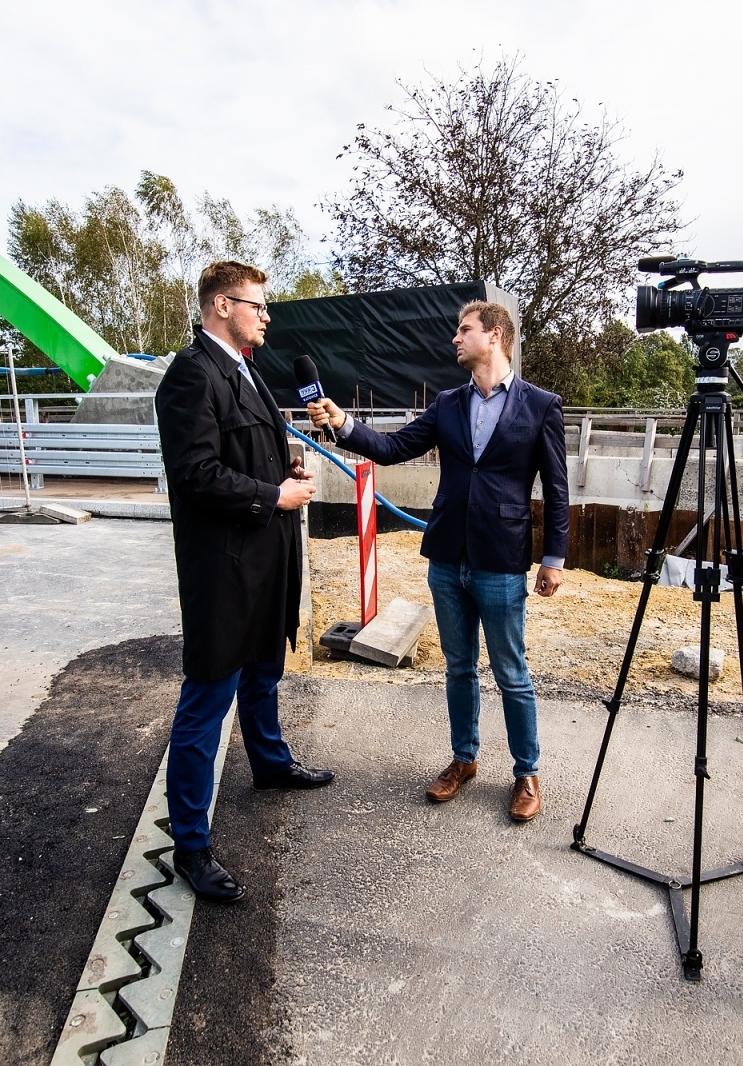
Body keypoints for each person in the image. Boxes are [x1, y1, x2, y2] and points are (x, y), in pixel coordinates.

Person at [308, 300, 569, 822]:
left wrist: (553, 556)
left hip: (501, 560)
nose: (455, 338)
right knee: (458, 668)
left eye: (464, 330)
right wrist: (343, 423)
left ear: (494, 336)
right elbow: (393, 446)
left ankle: (526, 772)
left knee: (511, 672)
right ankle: (463, 759)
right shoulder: (448, 403)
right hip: (447, 558)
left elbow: (557, 489)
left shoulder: (541, 405)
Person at [155, 260, 334, 904]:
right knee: (208, 700)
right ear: (222, 306)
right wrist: (274, 494)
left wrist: (284, 462)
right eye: (258, 305)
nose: (266, 315)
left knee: (264, 670)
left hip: (265, 560)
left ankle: (269, 762)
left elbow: (245, 452)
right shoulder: (191, 376)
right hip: (224, 570)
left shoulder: (247, 371)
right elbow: (197, 474)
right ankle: (191, 845)